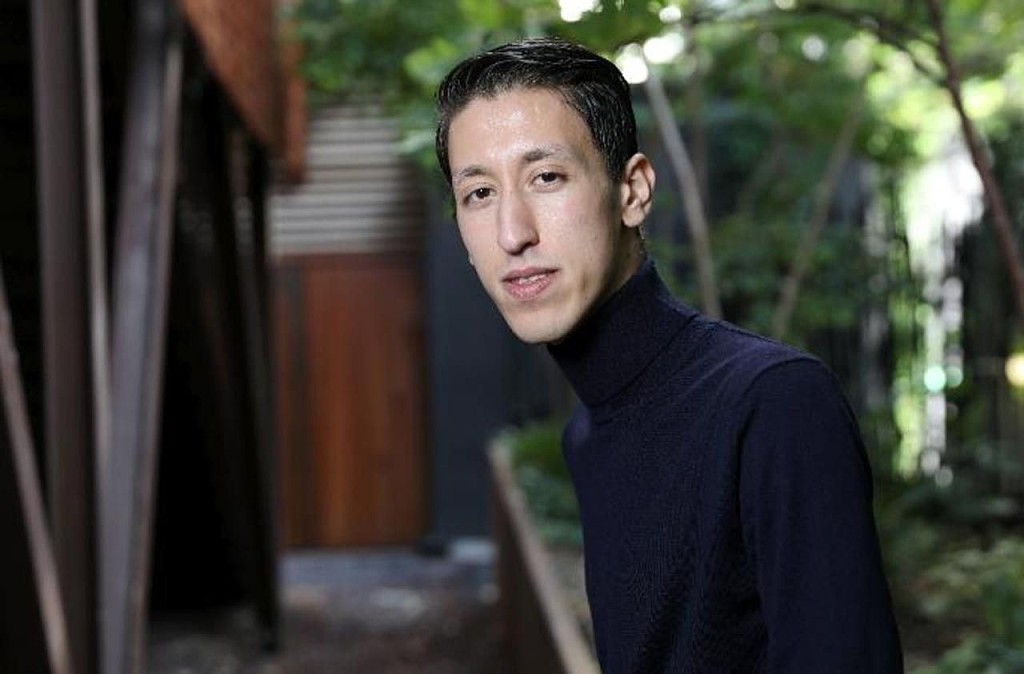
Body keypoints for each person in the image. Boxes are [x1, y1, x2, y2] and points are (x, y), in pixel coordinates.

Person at [435, 37, 903, 673]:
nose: (512, 233)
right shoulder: (589, 430)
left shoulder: (773, 403)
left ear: (632, 191)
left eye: (547, 178)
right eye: (479, 194)